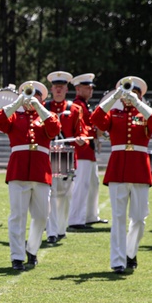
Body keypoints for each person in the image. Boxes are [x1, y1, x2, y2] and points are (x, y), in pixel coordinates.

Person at [91, 77, 152, 274]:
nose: (128, 97)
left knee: (139, 218)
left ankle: (130, 252)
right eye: (126, 93)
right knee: (118, 217)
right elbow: (96, 119)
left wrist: (138, 103)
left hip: (140, 169)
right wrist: (114, 96)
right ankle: (117, 260)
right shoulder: (114, 113)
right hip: (118, 169)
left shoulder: (144, 114)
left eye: (134, 93)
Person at [0, 81, 61, 270]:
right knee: (17, 215)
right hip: (18, 171)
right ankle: (16, 256)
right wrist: (17, 102)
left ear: (42, 98)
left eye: (35, 95)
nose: (31, 98)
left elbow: (54, 129)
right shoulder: (14, 116)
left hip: (40, 172)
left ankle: (31, 248)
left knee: (41, 216)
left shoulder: (47, 116)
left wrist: (39, 106)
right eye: (28, 94)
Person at [44, 71, 88, 244]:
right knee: (50, 195)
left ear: (67, 89)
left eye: (62, 87)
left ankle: (61, 227)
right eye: (56, 87)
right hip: (48, 157)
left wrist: (82, 139)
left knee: (65, 195)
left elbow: (81, 131)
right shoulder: (44, 108)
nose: (59, 90)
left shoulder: (75, 109)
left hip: (68, 158)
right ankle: (52, 231)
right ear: (51, 89)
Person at [67, 73, 106, 229]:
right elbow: (82, 128)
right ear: (77, 89)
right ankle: (76, 219)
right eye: (86, 87)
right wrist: (96, 131)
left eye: (91, 87)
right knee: (81, 185)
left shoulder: (85, 105)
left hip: (89, 151)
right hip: (81, 151)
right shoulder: (77, 106)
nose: (90, 90)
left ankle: (90, 215)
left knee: (93, 184)